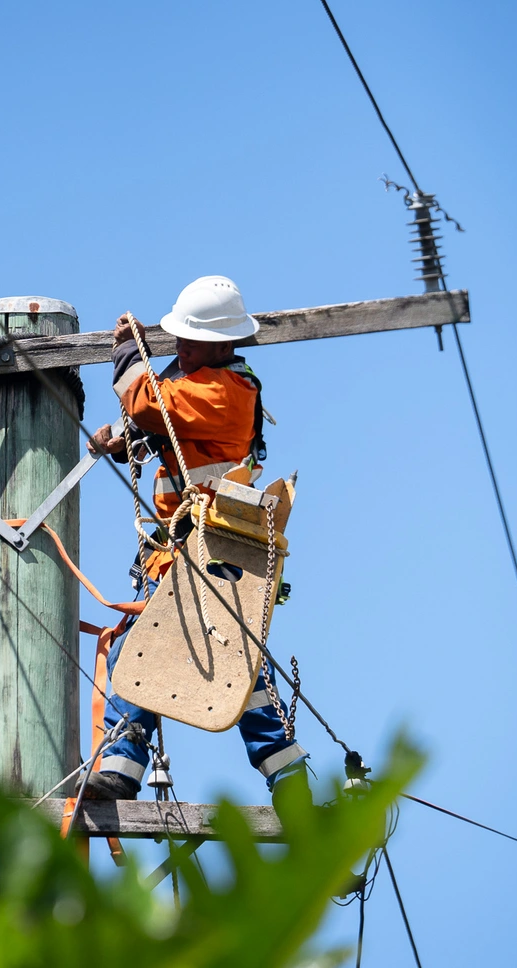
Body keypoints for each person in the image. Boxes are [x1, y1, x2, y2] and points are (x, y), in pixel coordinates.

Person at [82, 275, 307, 801]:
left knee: (227, 659)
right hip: (180, 550)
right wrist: (125, 441)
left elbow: (149, 404)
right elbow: (166, 426)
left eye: (191, 340)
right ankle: (122, 769)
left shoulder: (226, 392)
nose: (180, 347)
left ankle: (285, 779)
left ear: (224, 345)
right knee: (153, 650)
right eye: (179, 338)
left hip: (210, 549)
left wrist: (126, 352)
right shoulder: (206, 385)